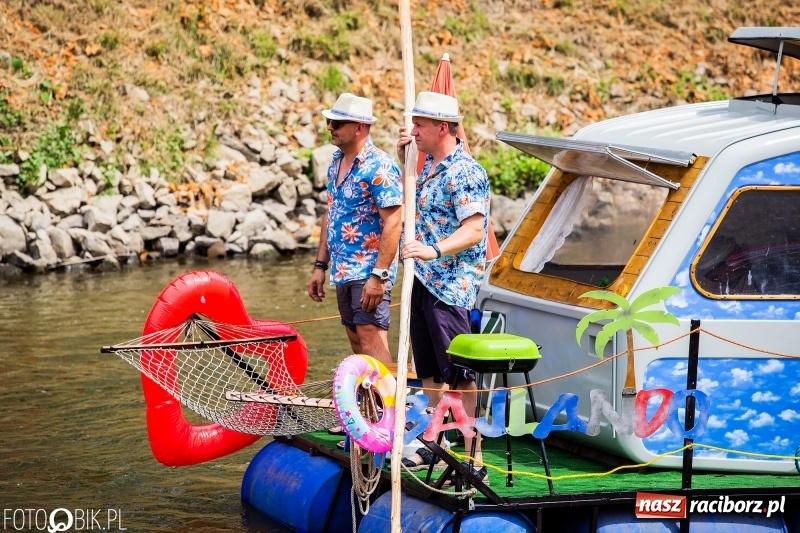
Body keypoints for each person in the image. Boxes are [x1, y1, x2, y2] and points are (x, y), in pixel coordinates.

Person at [397, 91, 490, 481]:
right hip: (423, 279)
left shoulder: (464, 171)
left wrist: (434, 250)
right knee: (432, 372)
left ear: (442, 127)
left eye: (419, 124)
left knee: (460, 374)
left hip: (451, 285)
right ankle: (439, 442)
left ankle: (474, 460)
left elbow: (474, 229)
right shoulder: (431, 166)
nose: (413, 129)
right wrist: (401, 153)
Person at [307, 93, 403, 368]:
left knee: (371, 339)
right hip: (342, 270)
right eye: (329, 121)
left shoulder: (380, 165)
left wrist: (379, 275)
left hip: (368, 270)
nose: (329, 127)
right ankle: (369, 409)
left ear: (359, 127)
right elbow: (332, 214)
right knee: (356, 342)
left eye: (336, 123)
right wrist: (319, 266)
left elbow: (394, 222)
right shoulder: (336, 161)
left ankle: (389, 408)